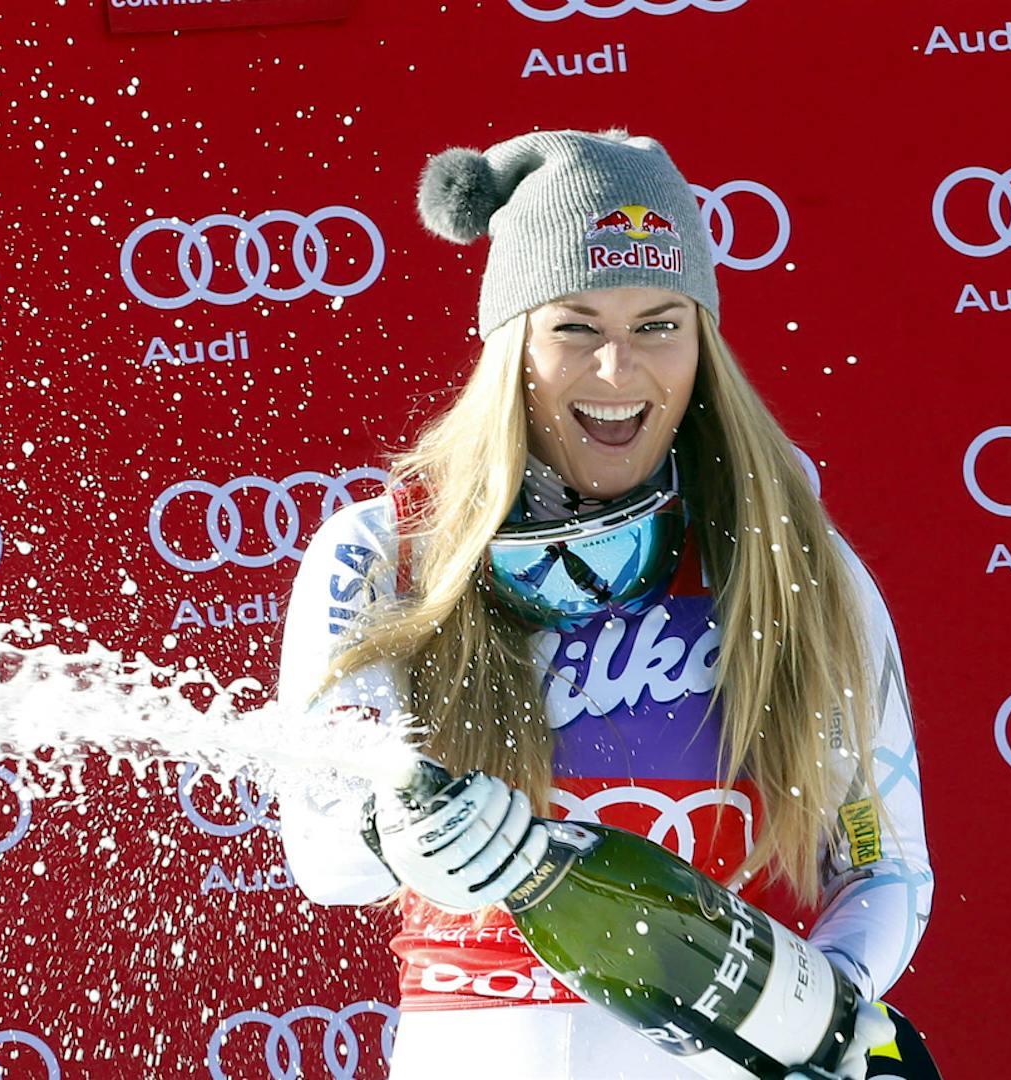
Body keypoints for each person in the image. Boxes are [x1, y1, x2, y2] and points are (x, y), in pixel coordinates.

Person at [276, 128, 936, 1080]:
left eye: (658, 326)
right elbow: (324, 849)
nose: (619, 374)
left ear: (702, 339)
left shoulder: (792, 560)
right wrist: (399, 828)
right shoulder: (388, 550)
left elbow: (882, 860)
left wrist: (817, 1017)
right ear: (512, 344)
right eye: (575, 328)